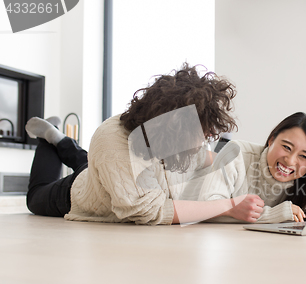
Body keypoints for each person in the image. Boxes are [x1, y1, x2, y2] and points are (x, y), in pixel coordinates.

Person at [25, 63, 266, 225]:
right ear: (174, 128)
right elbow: (151, 210)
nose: (203, 141)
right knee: (36, 197)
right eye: (200, 133)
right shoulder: (114, 143)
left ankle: (61, 139)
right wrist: (229, 206)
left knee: (90, 163)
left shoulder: (174, 137)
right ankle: (49, 139)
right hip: (78, 193)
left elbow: (207, 159)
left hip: (105, 173)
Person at [198, 112, 306, 223]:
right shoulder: (236, 152)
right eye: (286, 147)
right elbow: (206, 207)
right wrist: (274, 214)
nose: (290, 161)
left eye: (303, 156)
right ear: (271, 140)